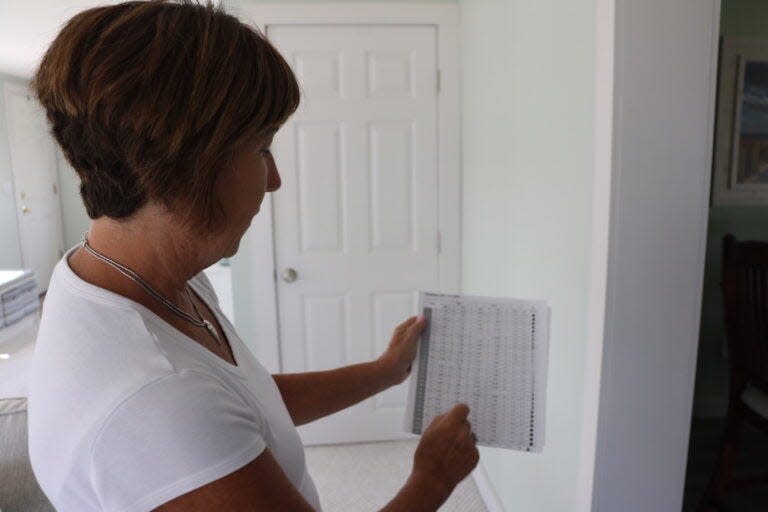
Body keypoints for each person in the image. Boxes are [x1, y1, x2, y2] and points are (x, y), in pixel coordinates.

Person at [26, 1, 479, 510]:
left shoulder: (123, 275)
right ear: (185, 166)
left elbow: (247, 403)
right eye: (261, 148)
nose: (276, 179)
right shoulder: (158, 401)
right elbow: (199, 413)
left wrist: (386, 371)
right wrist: (433, 478)